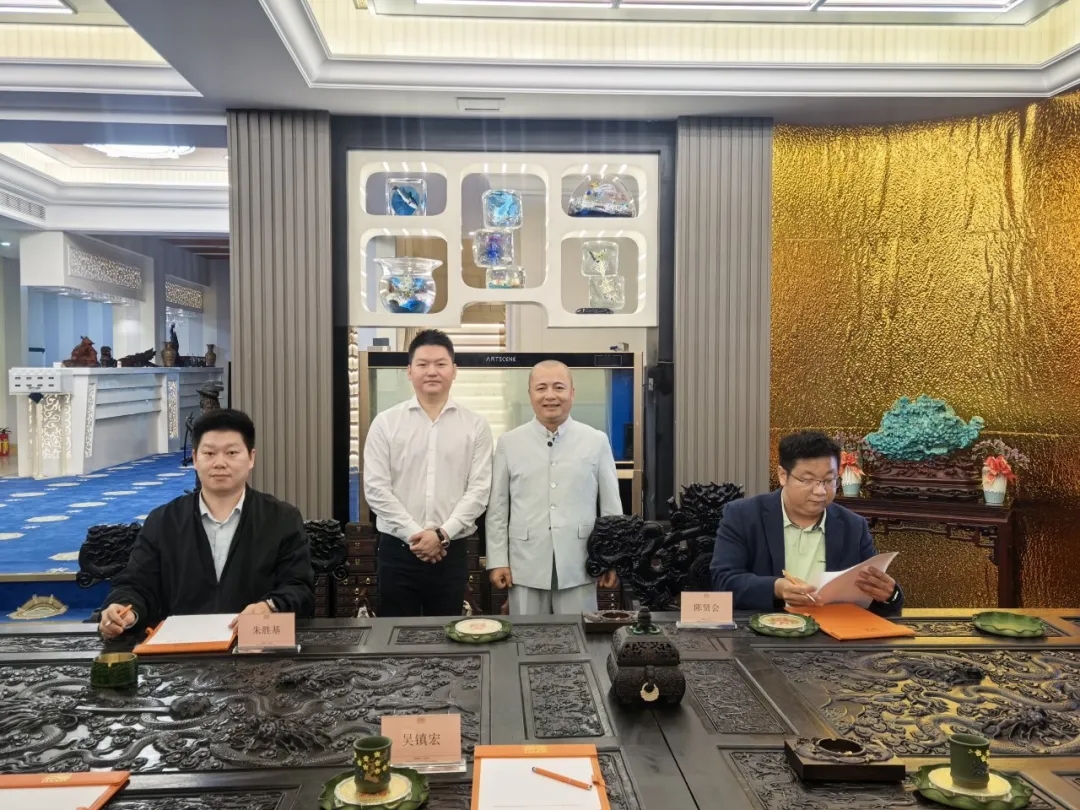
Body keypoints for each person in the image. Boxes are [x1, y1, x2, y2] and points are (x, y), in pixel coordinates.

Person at [98, 408, 315, 639]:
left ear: (251, 458)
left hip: (256, 644)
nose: (220, 463)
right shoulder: (163, 521)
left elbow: (300, 588)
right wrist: (123, 610)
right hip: (181, 649)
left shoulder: (281, 518)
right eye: (209, 453)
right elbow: (136, 584)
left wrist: (270, 606)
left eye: (231, 453)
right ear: (195, 459)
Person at [364, 329, 493, 617]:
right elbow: (376, 489)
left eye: (440, 364)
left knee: (448, 633)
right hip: (397, 551)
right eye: (423, 364)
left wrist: (442, 535)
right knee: (394, 632)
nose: (432, 371)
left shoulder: (475, 425)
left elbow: (479, 490)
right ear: (409, 371)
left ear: (454, 370)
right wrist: (416, 535)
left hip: (451, 550)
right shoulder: (386, 423)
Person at [710, 430, 903, 615]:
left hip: (832, 631)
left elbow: (875, 592)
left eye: (829, 480)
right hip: (765, 629)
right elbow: (723, 581)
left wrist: (890, 594)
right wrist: (776, 588)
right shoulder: (743, 516)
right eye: (808, 480)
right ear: (783, 475)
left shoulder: (853, 526)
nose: (820, 491)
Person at [486, 360, 622, 615]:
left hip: (580, 561)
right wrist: (497, 560)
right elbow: (497, 508)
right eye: (541, 388)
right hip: (524, 563)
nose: (550, 396)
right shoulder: (509, 443)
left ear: (572, 393)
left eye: (559, 387)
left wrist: (611, 559)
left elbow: (611, 510)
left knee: (580, 634)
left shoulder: (596, 441)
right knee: (526, 634)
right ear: (530, 394)